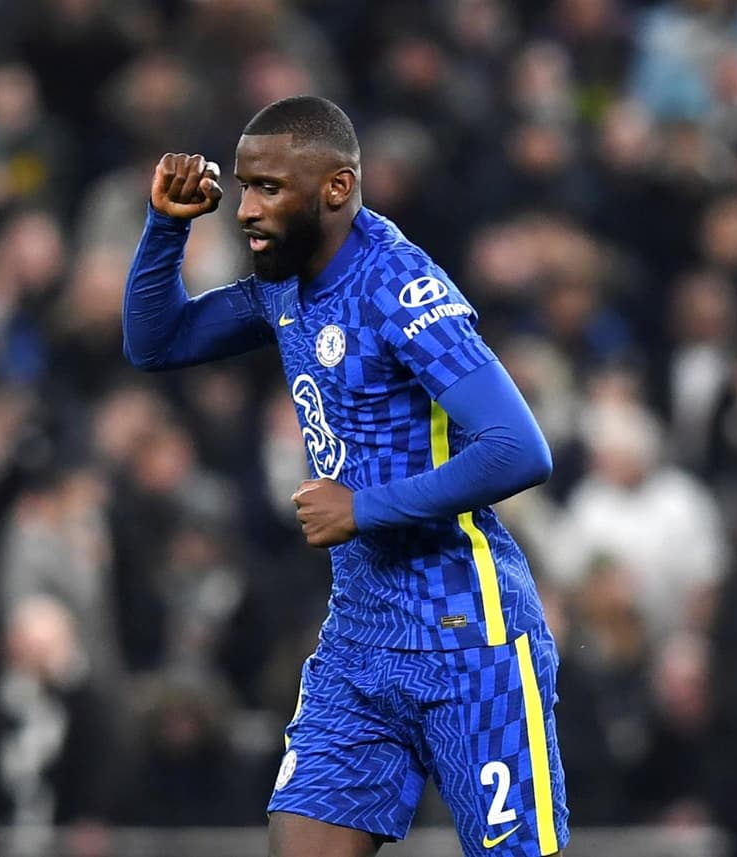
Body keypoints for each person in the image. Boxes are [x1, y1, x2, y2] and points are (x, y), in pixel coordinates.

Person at [122, 95, 567, 856]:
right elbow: (156, 343)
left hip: (471, 635)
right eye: (243, 185)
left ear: (336, 188)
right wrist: (167, 228)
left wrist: (363, 507)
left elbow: (519, 448)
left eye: (269, 188)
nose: (247, 208)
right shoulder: (282, 281)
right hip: (359, 641)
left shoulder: (399, 288)